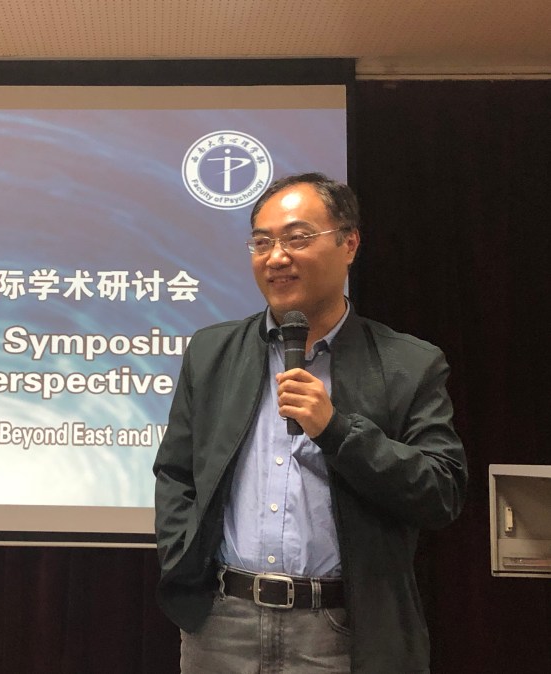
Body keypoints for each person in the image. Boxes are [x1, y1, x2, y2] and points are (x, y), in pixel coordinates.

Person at [153, 173, 467, 673]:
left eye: (297, 238)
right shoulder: (211, 352)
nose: (277, 257)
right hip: (222, 625)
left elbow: (441, 492)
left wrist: (337, 430)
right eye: (262, 242)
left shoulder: (409, 364)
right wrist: (182, 559)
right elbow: (176, 474)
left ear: (349, 244)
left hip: (339, 628)